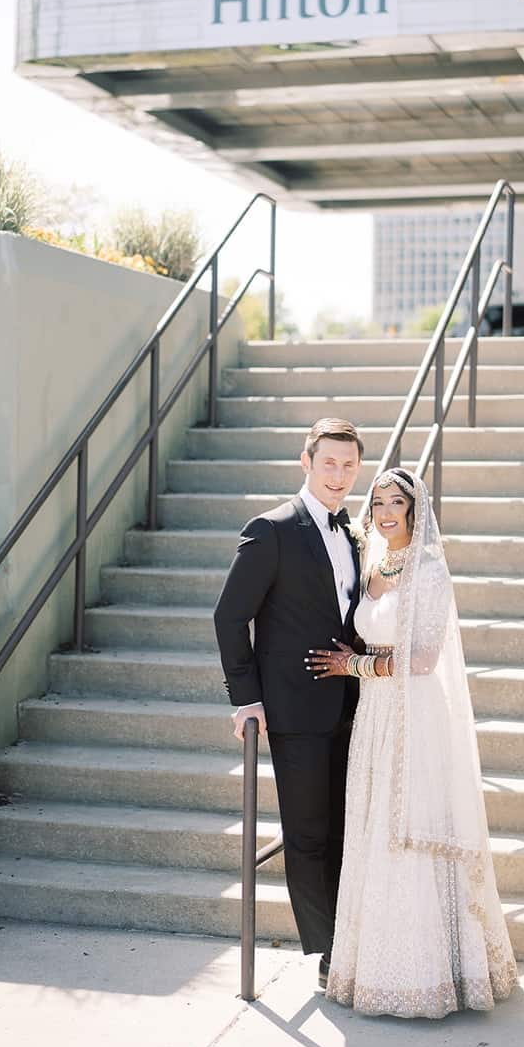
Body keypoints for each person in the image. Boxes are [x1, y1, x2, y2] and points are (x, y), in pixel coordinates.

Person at [305, 467, 518, 1018]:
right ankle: (374, 966)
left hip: (415, 715)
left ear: (415, 509)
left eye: (396, 501)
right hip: (374, 715)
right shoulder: (373, 565)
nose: (385, 510)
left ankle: (433, 974)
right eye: (377, 502)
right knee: (374, 828)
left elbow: (422, 659)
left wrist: (352, 664)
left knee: (410, 829)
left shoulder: (428, 570)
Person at [214, 417, 364, 989]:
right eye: (328, 463)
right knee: (307, 833)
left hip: (352, 706)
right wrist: (246, 700)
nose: (339, 475)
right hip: (293, 710)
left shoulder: (353, 532)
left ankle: (353, 936)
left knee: (349, 827)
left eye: (349, 465)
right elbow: (230, 617)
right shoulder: (271, 529)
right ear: (306, 462)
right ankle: (329, 954)